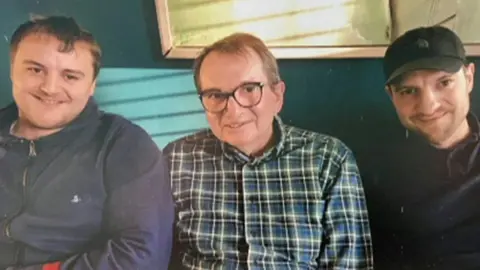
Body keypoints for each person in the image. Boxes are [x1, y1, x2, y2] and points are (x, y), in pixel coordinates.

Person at [163, 32, 373, 269]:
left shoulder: (328, 159)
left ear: (277, 95)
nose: (232, 109)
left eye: (249, 89)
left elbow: (349, 264)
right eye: (215, 95)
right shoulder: (177, 158)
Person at [0, 16, 174, 269]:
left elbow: (141, 256)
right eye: (36, 70)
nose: (50, 88)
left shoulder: (125, 144)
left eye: (70, 76)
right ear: (12, 69)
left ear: (92, 85)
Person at [364, 25, 480, 269]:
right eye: (409, 91)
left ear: (469, 77)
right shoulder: (375, 174)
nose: (428, 106)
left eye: (444, 82)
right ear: (391, 95)